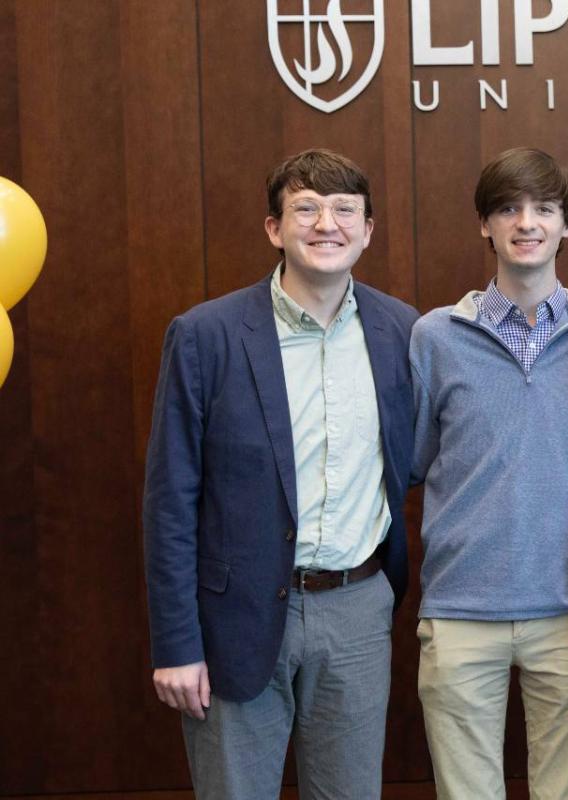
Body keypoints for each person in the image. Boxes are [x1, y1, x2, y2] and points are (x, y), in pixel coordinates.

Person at [143, 148, 419, 799]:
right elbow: (169, 502)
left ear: (368, 230)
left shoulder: (402, 331)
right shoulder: (205, 336)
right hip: (232, 617)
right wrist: (176, 643)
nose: (328, 223)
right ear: (274, 228)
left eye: (344, 209)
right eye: (307, 208)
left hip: (357, 608)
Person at [409, 146, 568, 799]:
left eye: (544, 209)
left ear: (566, 225)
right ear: (485, 225)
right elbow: (414, 458)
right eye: (508, 208)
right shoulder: (435, 337)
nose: (527, 222)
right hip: (461, 608)